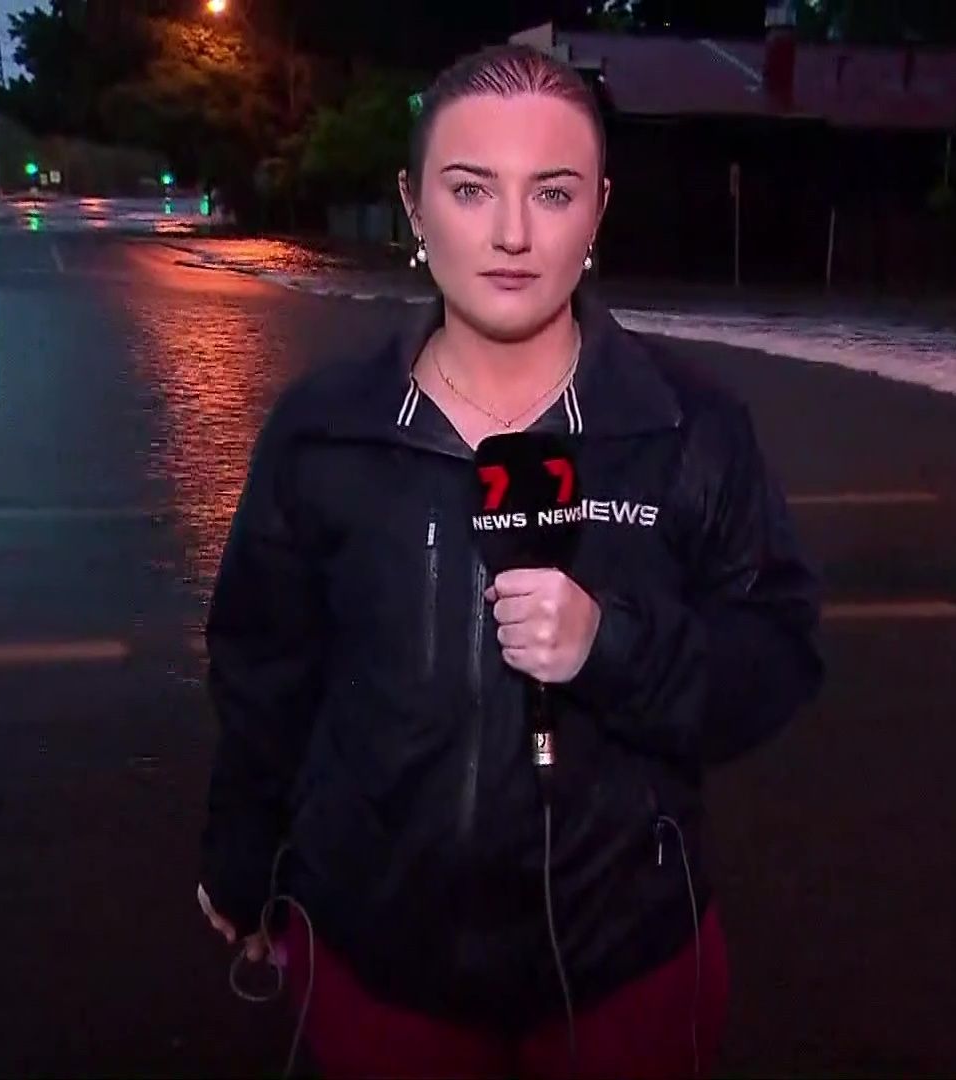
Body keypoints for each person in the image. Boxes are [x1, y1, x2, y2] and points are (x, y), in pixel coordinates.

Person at [196, 41, 823, 1080]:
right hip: (378, 966)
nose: (514, 233)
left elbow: (777, 661)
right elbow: (263, 667)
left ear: (599, 210)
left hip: (624, 968)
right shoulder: (325, 432)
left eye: (554, 192)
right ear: (414, 205)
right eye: (471, 189)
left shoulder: (690, 427)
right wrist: (242, 847)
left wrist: (610, 648)